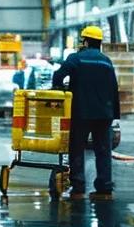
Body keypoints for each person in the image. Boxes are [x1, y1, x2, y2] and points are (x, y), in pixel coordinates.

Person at [51, 25, 120, 200]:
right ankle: (104, 189)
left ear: (85, 41)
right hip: (104, 115)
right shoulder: (106, 61)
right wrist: (115, 115)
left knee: (77, 149)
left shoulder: (76, 58)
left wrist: (59, 90)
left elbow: (58, 76)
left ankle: (78, 187)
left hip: (81, 113)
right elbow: (114, 88)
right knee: (103, 151)